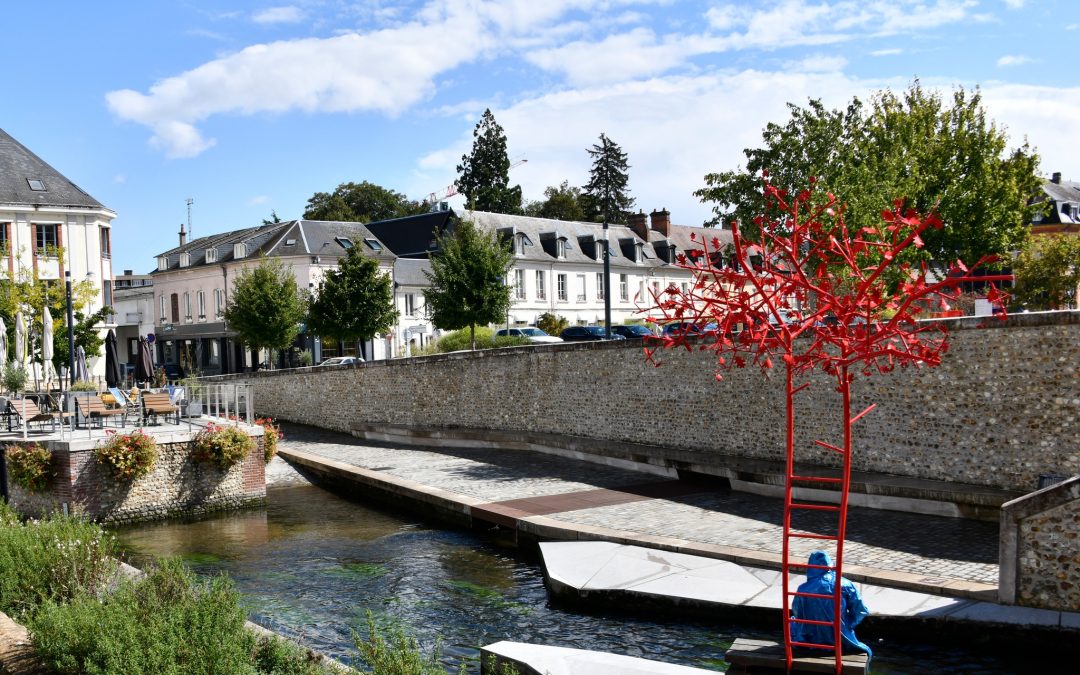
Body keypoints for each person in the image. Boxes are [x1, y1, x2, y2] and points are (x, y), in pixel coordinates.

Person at [790, 550, 871, 658]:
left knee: (792, 621)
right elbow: (861, 611)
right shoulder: (845, 584)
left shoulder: (803, 589)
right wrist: (847, 626)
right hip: (841, 640)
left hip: (811, 641)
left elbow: (798, 614)